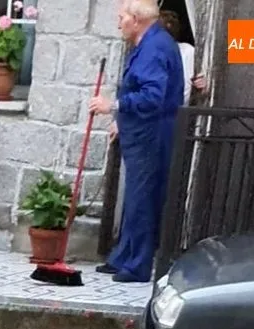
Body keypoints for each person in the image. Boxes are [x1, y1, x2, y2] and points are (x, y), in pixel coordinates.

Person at [90, 0, 184, 283]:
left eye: (122, 17)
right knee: (135, 196)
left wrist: (114, 105)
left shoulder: (154, 48)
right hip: (141, 131)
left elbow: (153, 97)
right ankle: (123, 257)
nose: (119, 23)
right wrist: (122, 122)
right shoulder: (149, 43)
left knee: (143, 198)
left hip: (151, 134)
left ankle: (138, 264)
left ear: (137, 19)